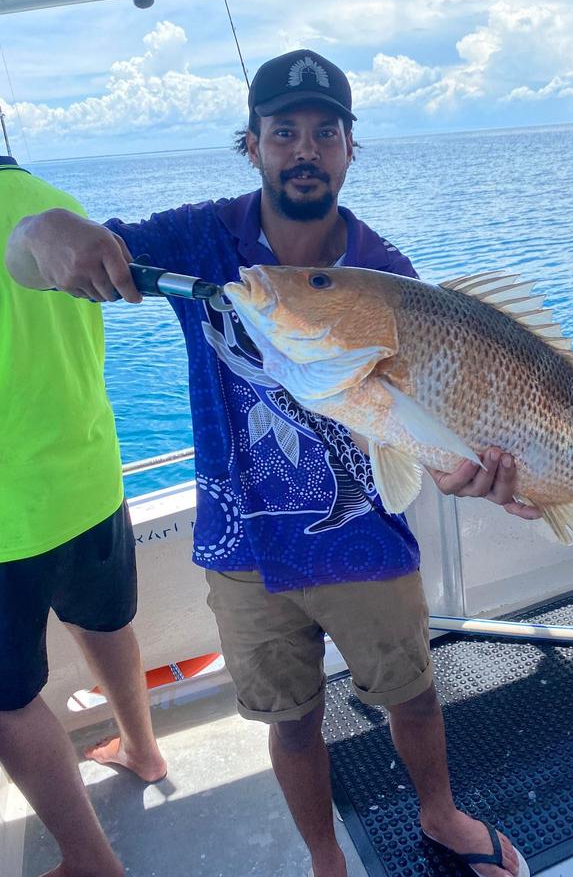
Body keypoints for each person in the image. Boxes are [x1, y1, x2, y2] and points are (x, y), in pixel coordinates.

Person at [6, 50, 540, 877]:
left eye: (325, 133)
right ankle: (326, 858)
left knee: (412, 692)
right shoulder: (201, 239)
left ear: (350, 149)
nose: (304, 149)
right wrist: (42, 229)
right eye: (282, 131)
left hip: (364, 537)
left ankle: (441, 815)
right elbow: (29, 264)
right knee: (290, 720)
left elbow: (429, 433)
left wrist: (466, 473)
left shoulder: (389, 274)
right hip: (244, 547)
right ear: (250, 144)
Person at [1, 155, 166, 877]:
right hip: (92, 478)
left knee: (8, 705)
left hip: (9, 520)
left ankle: (90, 863)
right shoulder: (57, 200)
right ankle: (143, 749)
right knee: (103, 622)